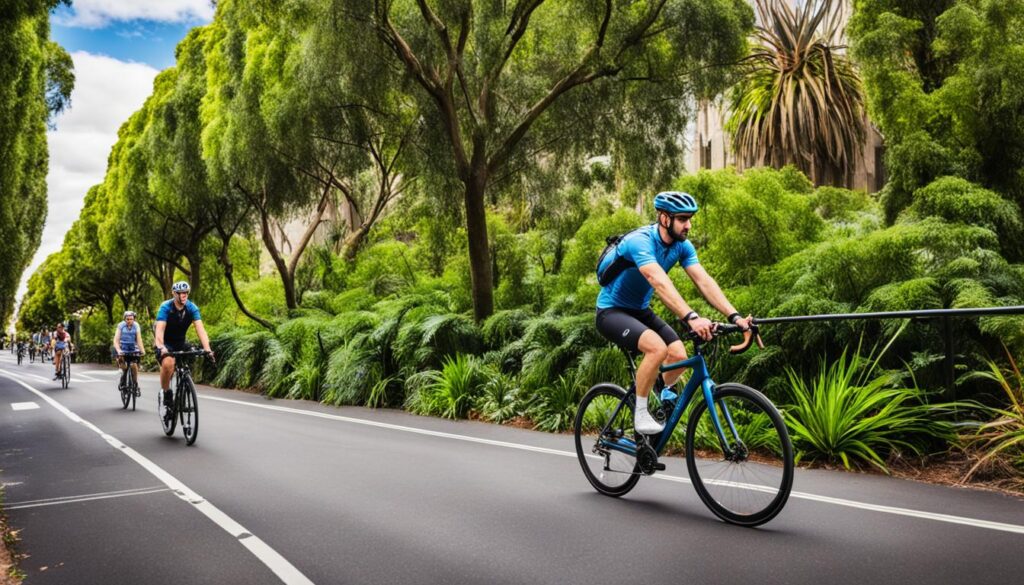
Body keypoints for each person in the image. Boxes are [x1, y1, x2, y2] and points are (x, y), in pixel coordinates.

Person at [595, 191, 753, 435]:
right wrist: (691, 317)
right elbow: (657, 281)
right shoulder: (641, 241)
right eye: (682, 219)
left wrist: (735, 316)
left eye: (690, 219)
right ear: (664, 218)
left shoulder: (682, 246)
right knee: (657, 348)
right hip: (611, 311)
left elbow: (704, 281)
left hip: (639, 310)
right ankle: (640, 414)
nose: (688, 225)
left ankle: (657, 397)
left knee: (678, 354)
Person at [153, 281, 213, 420]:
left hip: (180, 342)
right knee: (168, 363)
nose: (184, 295)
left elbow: (201, 330)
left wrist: (208, 349)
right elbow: (159, 330)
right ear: (174, 294)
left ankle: (185, 382)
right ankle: (166, 394)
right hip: (165, 343)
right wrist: (161, 347)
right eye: (181, 293)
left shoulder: (192, 308)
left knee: (194, 353)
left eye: (186, 293)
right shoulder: (166, 307)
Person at [114, 310, 145, 390]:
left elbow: (139, 339)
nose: (129, 321)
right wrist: (118, 350)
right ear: (125, 319)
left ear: (134, 319)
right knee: (124, 367)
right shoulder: (121, 326)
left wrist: (142, 350)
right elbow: (116, 340)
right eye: (127, 319)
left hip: (133, 348)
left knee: (134, 365)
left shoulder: (136, 326)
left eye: (131, 319)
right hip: (122, 348)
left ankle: (135, 383)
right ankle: (123, 379)